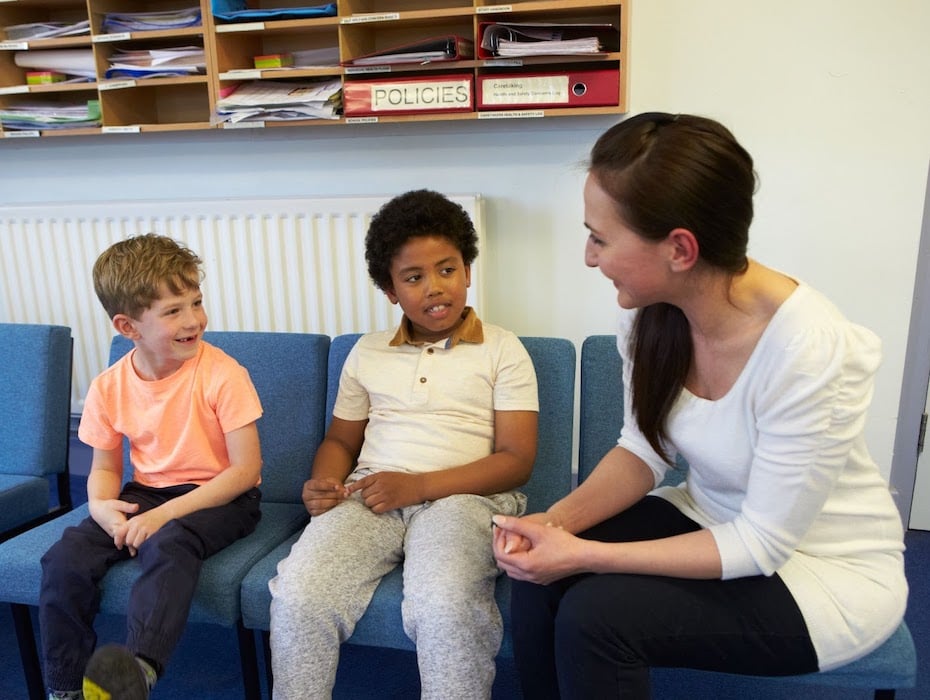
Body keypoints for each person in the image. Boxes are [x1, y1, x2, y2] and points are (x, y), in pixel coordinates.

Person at [492, 112, 908, 699]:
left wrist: (583, 552)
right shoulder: (650, 312)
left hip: (819, 572)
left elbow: (762, 543)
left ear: (680, 249)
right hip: (712, 518)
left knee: (596, 616)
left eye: (601, 238)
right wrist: (554, 525)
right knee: (537, 573)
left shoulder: (811, 350)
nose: (589, 256)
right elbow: (643, 449)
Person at [268, 188, 539, 699]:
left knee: (445, 604)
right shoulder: (366, 353)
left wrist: (417, 487)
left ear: (467, 270)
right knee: (301, 594)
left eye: (447, 269)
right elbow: (340, 440)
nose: (435, 288)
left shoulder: (504, 349)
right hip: (369, 494)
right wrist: (324, 480)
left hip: (464, 500)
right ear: (390, 289)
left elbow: (517, 461)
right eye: (414, 277)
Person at [39, 233, 264, 700]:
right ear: (129, 326)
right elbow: (103, 467)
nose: (194, 320)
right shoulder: (107, 387)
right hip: (147, 491)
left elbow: (244, 471)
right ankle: (66, 687)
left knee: (171, 541)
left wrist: (163, 516)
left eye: (196, 302)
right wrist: (102, 507)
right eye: (173, 310)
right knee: (64, 558)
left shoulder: (223, 374)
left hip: (224, 495)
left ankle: (139, 668)